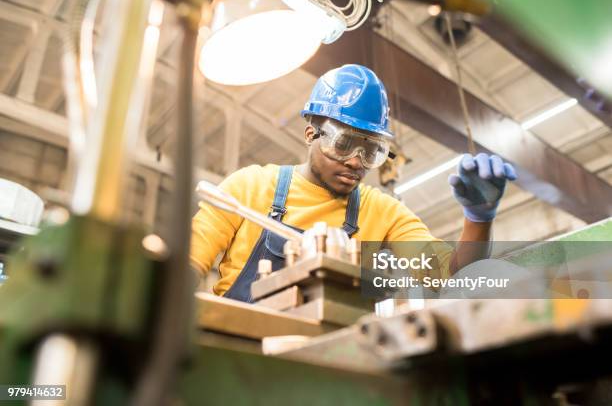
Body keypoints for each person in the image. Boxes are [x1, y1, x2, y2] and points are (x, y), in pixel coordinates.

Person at [191, 64, 517, 302]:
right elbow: (187, 265)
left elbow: (454, 277)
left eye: (372, 151)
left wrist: (478, 220)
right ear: (311, 134)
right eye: (344, 143)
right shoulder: (249, 187)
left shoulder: (384, 212)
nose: (356, 162)